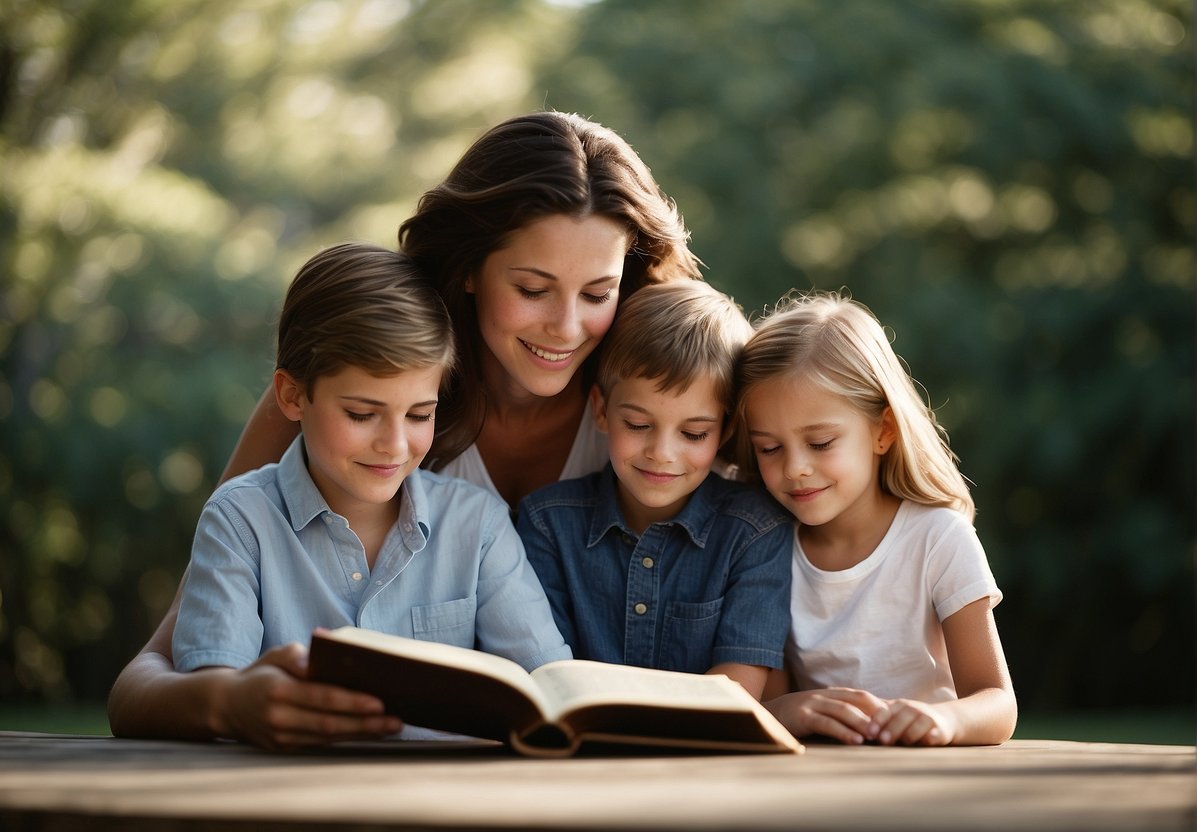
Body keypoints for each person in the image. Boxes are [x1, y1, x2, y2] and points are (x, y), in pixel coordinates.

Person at [107, 111, 701, 746]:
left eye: (597, 293)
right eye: (533, 288)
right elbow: (152, 672)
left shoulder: (665, 407)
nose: (565, 326)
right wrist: (231, 702)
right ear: (470, 268)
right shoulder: (350, 381)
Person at [169, 243, 571, 748]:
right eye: (361, 414)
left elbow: (551, 686)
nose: (395, 444)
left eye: (420, 415)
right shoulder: (240, 520)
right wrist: (238, 701)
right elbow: (209, 683)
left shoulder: (478, 526)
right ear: (293, 396)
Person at [736, 291, 1017, 746]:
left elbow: (997, 702)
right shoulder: (764, 544)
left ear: (882, 431)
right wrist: (786, 711)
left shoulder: (939, 539)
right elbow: (772, 703)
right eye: (769, 448)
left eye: (821, 442)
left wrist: (944, 721)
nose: (794, 468)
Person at [516, 281, 792, 700]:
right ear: (602, 410)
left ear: (727, 428)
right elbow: (547, 677)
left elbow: (738, 689)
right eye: (639, 425)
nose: (662, 454)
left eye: (694, 433)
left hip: (703, 756)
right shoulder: (547, 523)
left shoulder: (754, 530)